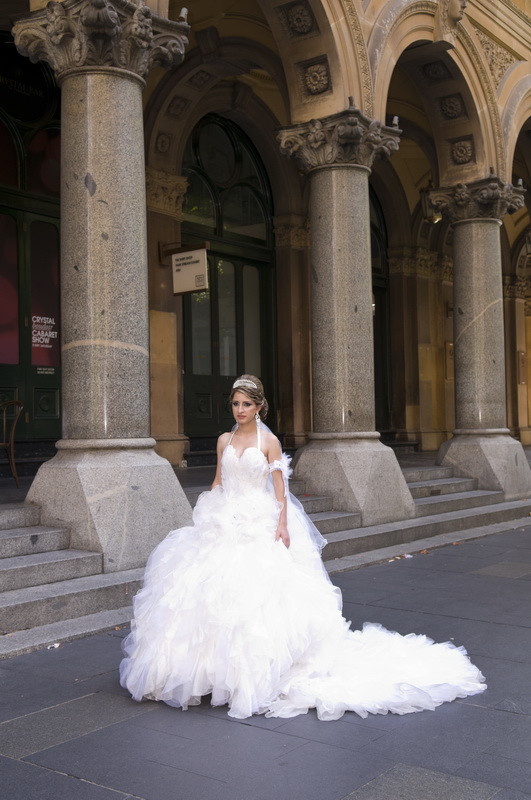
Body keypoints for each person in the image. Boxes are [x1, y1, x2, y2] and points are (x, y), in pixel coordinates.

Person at [120, 374, 486, 721]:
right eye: (235, 404)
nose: (240, 410)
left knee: (256, 597)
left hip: (259, 519)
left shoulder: (269, 443)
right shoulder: (223, 440)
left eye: (247, 404)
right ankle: (207, 674)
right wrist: (207, 513)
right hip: (224, 517)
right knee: (202, 593)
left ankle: (253, 675)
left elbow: (280, 490)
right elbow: (218, 479)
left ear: (259, 407)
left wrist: (281, 524)